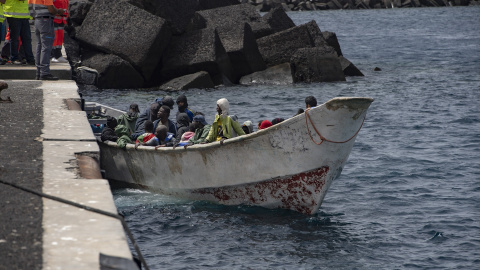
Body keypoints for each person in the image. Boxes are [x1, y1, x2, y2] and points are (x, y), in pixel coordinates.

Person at [28, 0, 65, 80]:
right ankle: (44, 73)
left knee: (39, 46)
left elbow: (30, 8)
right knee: (46, 47)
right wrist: (59, 11)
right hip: (46, 20)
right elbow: (51, 9)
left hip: (37, 20)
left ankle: (38, 72)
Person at [4, 0, 35, 65]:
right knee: (15, 39)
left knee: (27, 39)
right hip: (13, 14)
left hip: (24, 15)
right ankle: (14, 58)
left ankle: (30, 59)